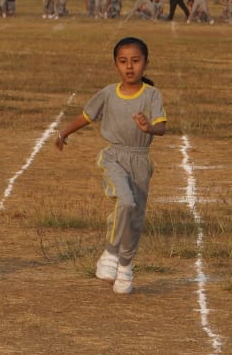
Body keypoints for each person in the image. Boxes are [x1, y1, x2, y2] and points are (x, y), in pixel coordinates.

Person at [53, 37, 168, 295]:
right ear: (116, 64)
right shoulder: (107, 93)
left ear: (146, 64)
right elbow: (86, 116)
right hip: (114, 157)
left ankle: (125, 268)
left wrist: (149, 127)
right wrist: (63, 134)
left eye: (136, 61)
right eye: (123, 61)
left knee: (135, 219)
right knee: (125, 201)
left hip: (141, 160)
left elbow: (162, 127)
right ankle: (110, 253)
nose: (130, 67)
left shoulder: (152, 95)